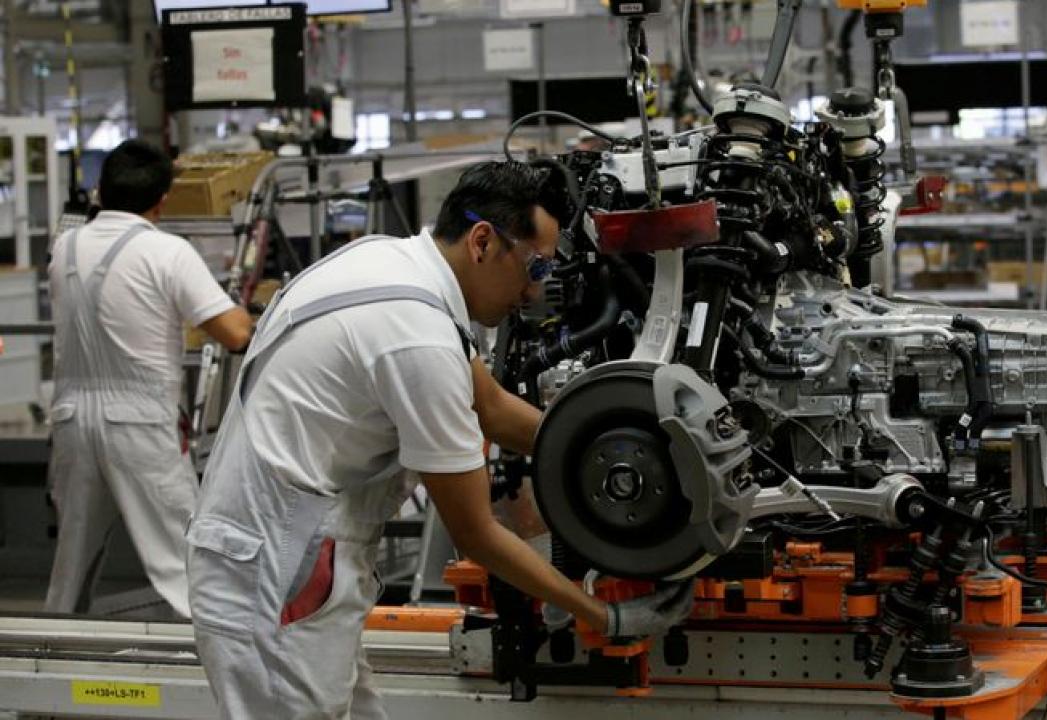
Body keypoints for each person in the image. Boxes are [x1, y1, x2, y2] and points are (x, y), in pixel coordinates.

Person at [187, 161, 693, 718]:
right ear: (483, 241)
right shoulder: (417, 339)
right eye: (536, 266)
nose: (535, 289)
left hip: (289, 557)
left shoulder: (392, 265)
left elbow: (493, 408)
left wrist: (605, 451)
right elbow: (475, 533)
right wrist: (601, 615)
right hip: (275, 573)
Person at [45, 139, 253, 617]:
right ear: (163, 199)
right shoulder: (167, 252)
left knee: (72, 562)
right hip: (138, 422)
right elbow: (235, 333)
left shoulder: (65, 247)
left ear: (100, 190)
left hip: (72, 421)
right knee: (183, 557)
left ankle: (56, 656)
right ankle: (216, 660)